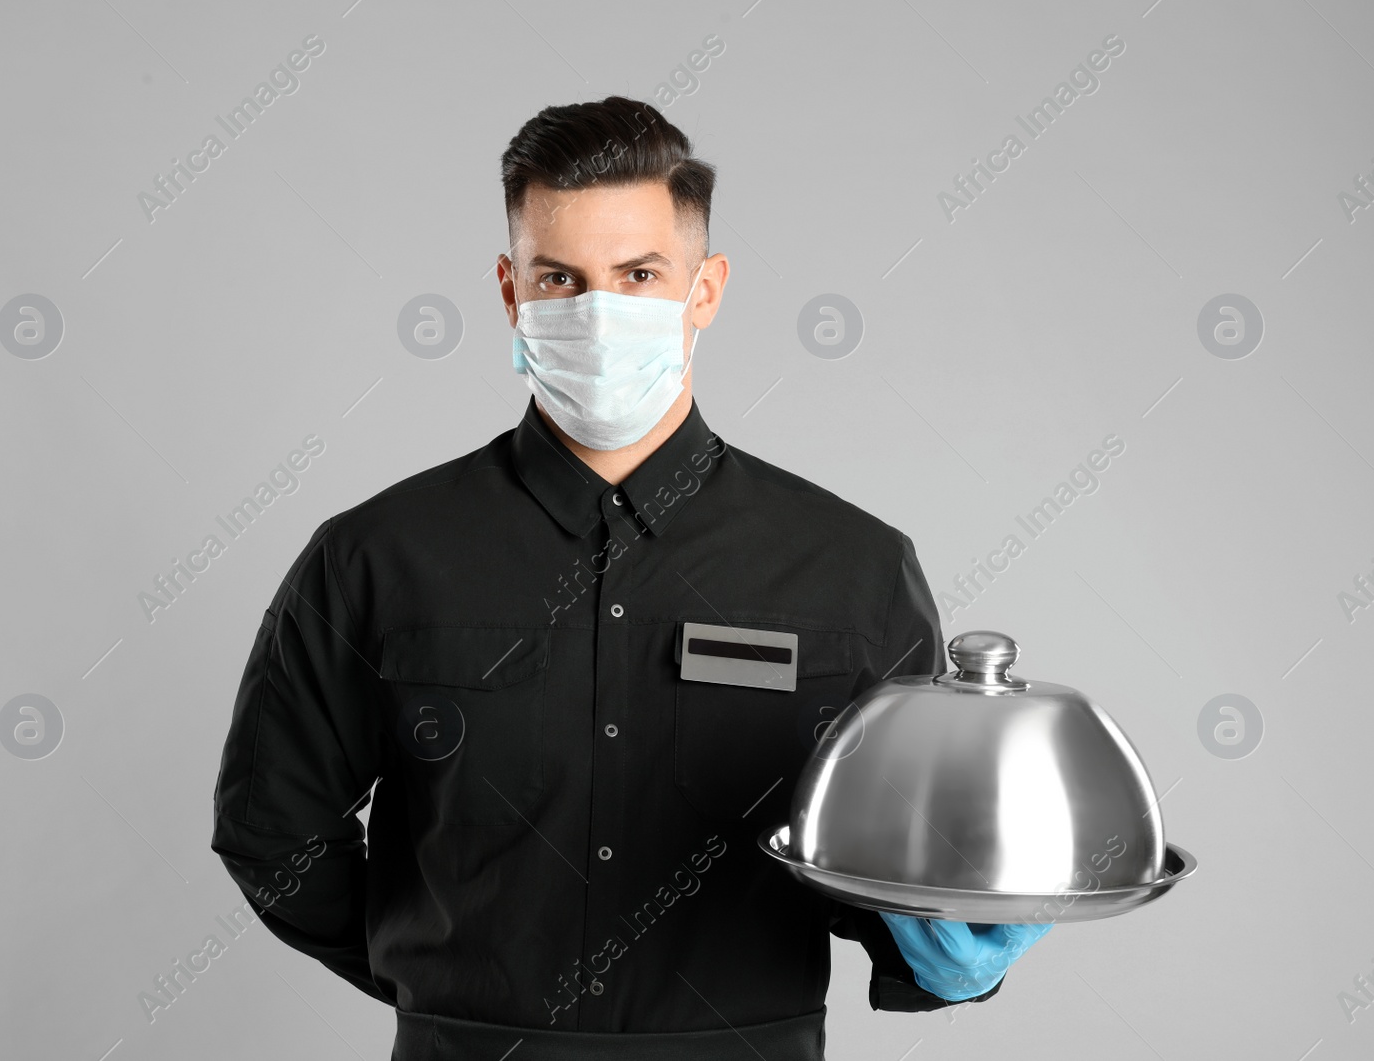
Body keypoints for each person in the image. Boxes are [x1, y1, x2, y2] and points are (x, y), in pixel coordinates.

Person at [210, 95, 1047, 1061]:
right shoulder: (376, 555)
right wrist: (441, 977)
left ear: (705, 290)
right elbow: (272, 828)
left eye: (638, 274)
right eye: (559, 277)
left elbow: (890, 862)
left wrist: (945, 950)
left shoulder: (853, 570)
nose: (597, 312)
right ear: (508, 289)